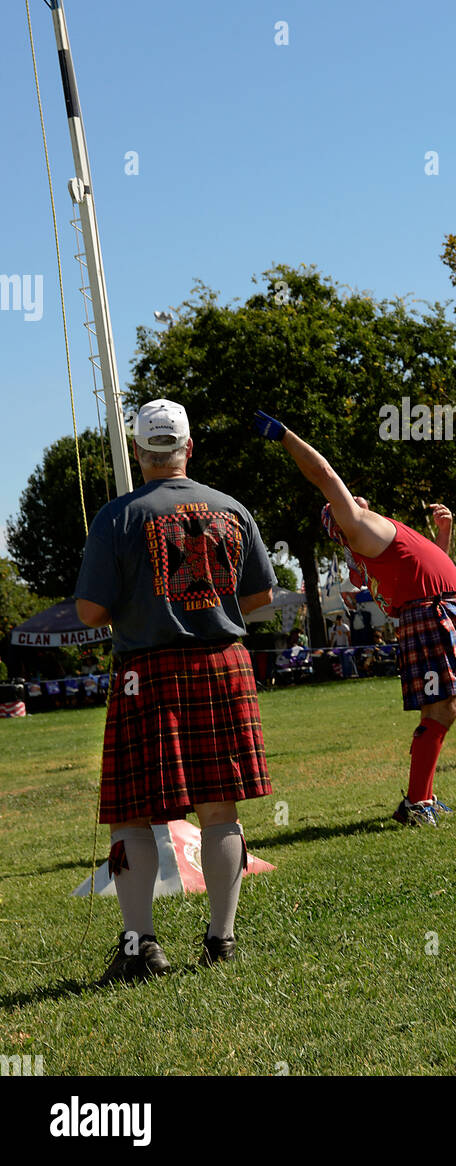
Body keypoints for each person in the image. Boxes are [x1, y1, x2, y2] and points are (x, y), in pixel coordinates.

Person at [75, 398, 276, 982]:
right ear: (189, 448)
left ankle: (140, 947)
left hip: (147, 672)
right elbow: (260, 598)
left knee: (132, 813)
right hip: (222, 664)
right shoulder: (231, 508)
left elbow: (90, 611)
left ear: (141, 453)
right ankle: (222, 940)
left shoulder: (117, 517)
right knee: (220, 805)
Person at [253, 411, 456, 826]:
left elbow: (425, 566)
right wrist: (285, 435)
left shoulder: (372, 539)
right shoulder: (359, 529)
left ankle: (419, 799)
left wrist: (443, 537)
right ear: (339, 521)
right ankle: (417, 803)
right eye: (344, 503)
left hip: (439, 609)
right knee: (442, 708)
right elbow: (322, 473)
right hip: (435, 613)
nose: (353, 498)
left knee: (441, 708)